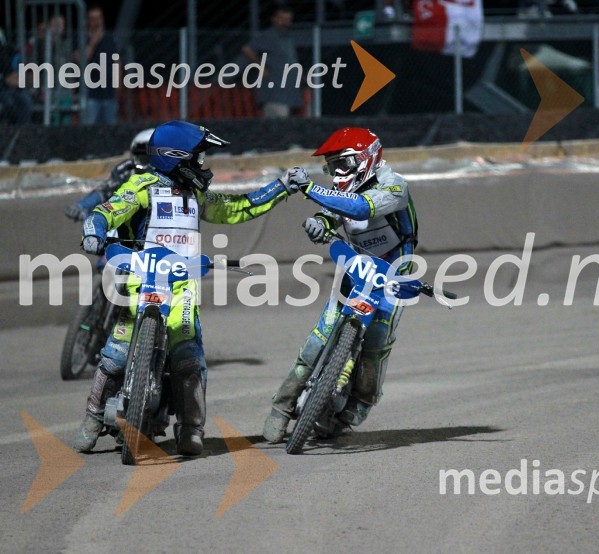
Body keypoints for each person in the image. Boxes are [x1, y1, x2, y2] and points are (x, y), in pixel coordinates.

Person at [73, 120, 298, 456]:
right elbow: (107, 210)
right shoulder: (142, 185)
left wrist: (280, 187)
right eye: (198, 158)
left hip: (182, 282)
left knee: (188, 357)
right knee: (116, 353)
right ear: (175, 157)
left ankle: (191, 429)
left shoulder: (198, 195)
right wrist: (94, 230)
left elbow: (237, 208)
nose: (202, 165)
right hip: (140, 276)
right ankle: (91, 418)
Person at [262, 127, 418, 443]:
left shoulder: (395, 185)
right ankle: (281, 407)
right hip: (357, 266)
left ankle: (358, 406)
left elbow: (360, 207)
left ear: (366, 157)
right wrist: (319, 223)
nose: (338, 173)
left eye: (343, 164)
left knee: (376, 341)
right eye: (333, 167)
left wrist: (308, 188)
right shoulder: (342, 191)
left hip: (393, 272)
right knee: (318, 339)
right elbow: (335, 211)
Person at [65, 128, 154, 223]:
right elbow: (104, 191)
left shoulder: (171, 177)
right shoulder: (126, 170)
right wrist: (82, 206)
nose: (150, 165)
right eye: (145, 158)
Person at [241, 4, 303, 118]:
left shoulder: (288, 37)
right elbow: (247, 49)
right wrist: (261, 66)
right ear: (274, 19)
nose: (285, 22)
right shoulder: (269, 35)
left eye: (288, 19)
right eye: (282, 19)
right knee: (277, 125)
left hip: (289, 93)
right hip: (275, 93)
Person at [82, 5, 119, 125]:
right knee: (89, 128)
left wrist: (118, 86)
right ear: (88, 21)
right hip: (90, 93)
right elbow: (81, 59)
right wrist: (93, 42)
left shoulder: (110, 38)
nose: (96, 22)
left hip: (109, 93)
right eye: (93, 19)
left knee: (111, 129)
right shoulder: (82, 38)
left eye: (98, 18)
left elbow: (117, 62)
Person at [0, 28, 32, 125]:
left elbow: (11, 78)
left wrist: (23, 82)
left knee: (24, 100)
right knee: (8, 102)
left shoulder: (3, 55)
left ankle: (21, 134)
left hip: (4, 89)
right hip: (4, 92)